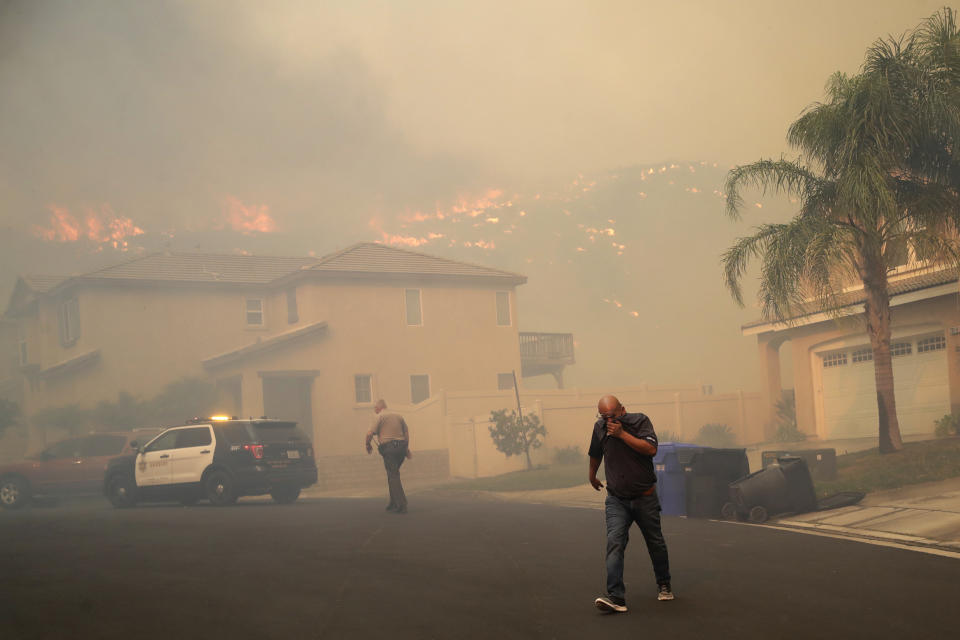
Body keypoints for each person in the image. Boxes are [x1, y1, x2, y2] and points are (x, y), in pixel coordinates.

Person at [588, 394, 673, 612]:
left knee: (655, 542)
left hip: (645, 497)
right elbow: (596, 453)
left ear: (622, 410)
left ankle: (664, 584)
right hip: (617, 499)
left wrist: (622, 434)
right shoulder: (599, 428)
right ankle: (616, 598)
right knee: (614, 542)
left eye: (612, 416)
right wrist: (592, 475)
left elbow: (651, 449)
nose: (608, 421)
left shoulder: (640, 421)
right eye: (603, 416)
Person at [365, 399, 412, 514]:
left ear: (379, 407)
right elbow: (406, 432)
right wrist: (406, 448)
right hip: (401, 448)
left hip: (389, 449)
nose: (375, 410)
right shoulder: (398, 416)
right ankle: (393, 502)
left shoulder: (379, 417)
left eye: (375, 408)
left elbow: (370, 433)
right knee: (392, 474)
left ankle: (401, 504)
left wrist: (367, 445)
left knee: (393, 475)